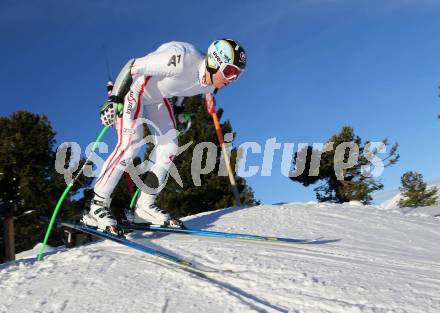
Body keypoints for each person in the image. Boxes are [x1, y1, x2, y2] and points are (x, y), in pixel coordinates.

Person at [82, 39, 247, 234]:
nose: (232, 79)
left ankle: (144, 208)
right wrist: (114, 99)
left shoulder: (211, 85)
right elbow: (131, 66)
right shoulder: (181, 59)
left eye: (237, 75)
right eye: (230, 72)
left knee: (169, 147)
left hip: (158, 97)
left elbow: (185, 88)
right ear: (214, 61)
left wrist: (178, 110)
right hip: (135, 89)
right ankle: (97, 205)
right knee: (131, 143)